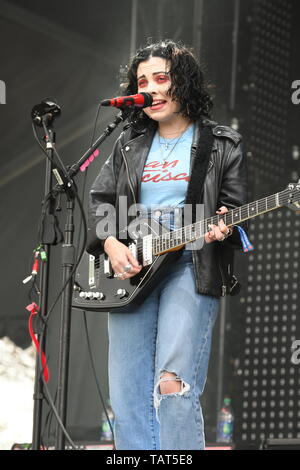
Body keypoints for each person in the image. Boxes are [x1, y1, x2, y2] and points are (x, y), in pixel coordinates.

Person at [87, 40, 248, 450]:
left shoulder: (221, 143)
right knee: (127, 397)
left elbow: (233, 207)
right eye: (143, 81)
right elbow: (100, 200)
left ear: (185, 84)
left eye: (162, 79)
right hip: (134, 264)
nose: (151, 89)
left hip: (190, 259)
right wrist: (109, 242)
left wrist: (222, 227)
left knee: (172, 384)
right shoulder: (128, 143)